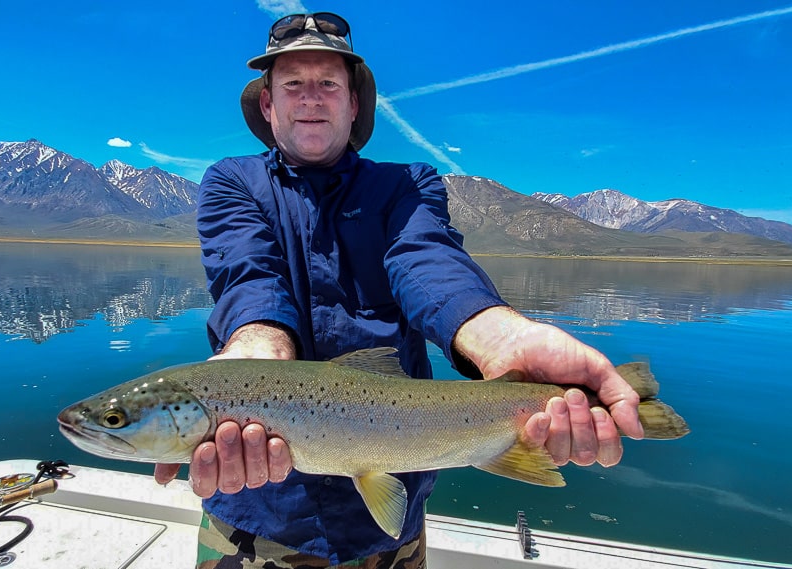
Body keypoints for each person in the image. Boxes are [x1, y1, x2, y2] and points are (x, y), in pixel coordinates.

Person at [154, 12, 644, 568]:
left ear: (354, 103)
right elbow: (249, 276)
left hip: (389, 531)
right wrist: (254, 351)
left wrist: (502, 336)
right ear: (268, 105)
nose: (310, 97)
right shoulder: (231, 182)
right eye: (292, 83)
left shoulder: (407, 185)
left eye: (328, 83)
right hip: (258, 513)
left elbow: (427, 261)